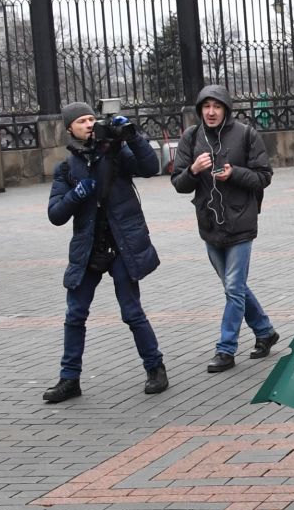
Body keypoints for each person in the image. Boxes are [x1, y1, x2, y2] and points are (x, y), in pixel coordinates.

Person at [43, 102, 168, 403]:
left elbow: (151, 167)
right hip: (88, 249)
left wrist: (133, 137)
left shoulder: (117, 153)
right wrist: (78, 193)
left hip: (122, 245)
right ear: (70, 128)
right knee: (75, 315)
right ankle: (69, 379)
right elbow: (56, 214)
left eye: (91, 119)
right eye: (81, 121)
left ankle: (156, 368)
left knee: (131, 312)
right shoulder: (65, 167)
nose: (88, 124)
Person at [171, 84, 279, 373]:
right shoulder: (191, 137)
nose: (210, 112)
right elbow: (178, 183)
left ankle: (226, 349)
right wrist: (193, 170)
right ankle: (265, 331)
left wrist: (235, 173)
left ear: (226, 109)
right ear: (200, 110)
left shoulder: (246, 135)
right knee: (236, 287)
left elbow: (264, 176)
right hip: (209, 225)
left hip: (241, 223)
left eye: (216, 106)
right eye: (206, 107)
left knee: (233, 288)